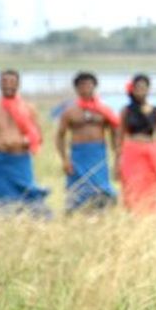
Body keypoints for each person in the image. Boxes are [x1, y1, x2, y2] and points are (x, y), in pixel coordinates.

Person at [0, 69, 51, 216]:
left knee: (29, 196)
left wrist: (25, 142)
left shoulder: (28, 108)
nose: (8, 85)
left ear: (18, 85)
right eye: (4, 81)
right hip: (1, 160)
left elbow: (39, 137)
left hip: (21, 159)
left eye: (12, 82)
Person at [56, 72, 119, 211]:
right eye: (82, 86)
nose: (85, 89)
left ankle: (101, 211)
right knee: (78, 187)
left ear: (94, 87)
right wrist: (65, 159)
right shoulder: (70, 111)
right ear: (77, 89)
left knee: (101, 186)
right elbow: (60, 136)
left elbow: (115, 132)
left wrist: (117, 156)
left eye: (89, 85)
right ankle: (74, 213)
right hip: (78, 154)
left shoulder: (104, 110)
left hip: (98, 153)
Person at [115, 74, 156, 214]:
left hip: (151, 152)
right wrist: (116, 163)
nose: (140, 91)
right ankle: (133, 214)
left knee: (151, 184)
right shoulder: (126, 110)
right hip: (131, 152)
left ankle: (148, 215)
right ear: (132, 89)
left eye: (143, 88)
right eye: (137, 88)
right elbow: (119, 137)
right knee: (132, 184)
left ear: (148, 89)